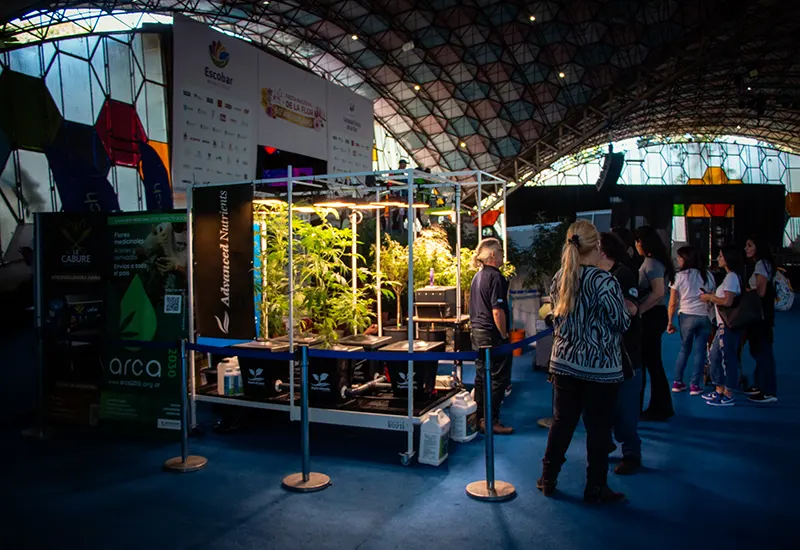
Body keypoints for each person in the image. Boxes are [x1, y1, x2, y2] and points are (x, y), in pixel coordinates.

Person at [538, 220, 630, 504]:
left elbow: (556, 318)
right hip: (600, 368)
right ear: (597, 246)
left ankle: (548, 477)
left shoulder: (560, 278)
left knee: (562, 423)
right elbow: (622, 322)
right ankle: (595, 486)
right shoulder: (605, 281)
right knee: (598, 428)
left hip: (564, 363)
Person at [598, 232, 643, 475]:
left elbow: (632, 308)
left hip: (626, 354)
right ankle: (606, 443)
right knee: (604, 407)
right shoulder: (597, 275)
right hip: (604, 354)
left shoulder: (622, 274)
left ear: (603, 251)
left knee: (626, 408)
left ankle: (632, 454)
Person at [469, 238, 513, 435]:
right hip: (491, 335)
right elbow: (497, 310)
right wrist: (503, 335)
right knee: (498, 378)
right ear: (493, 254)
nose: (503, 255)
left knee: (481, 377)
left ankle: (479, 417)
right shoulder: (496, 277)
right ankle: (491, 420)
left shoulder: (477, 276)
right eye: (501, 252)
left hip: (477, 333)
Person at [635, 226, 675, 421]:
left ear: (641, 242)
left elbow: (658, 292)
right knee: (653, 363)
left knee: (651, 363)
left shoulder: (651, 263)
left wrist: (639, 311)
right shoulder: (656, 262)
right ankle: (660, 405)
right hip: (655, 315)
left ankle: (660, 406)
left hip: (651, 316)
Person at [667, 246, 715, 396]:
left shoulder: (678, 276)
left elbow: (672, 303)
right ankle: (695, 385)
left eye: (679, 257)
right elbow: (712, 295)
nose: (677, 260)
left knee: (684, 349)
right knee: (700, 351)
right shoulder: (707, 275)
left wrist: (670, 322)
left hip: (686, 315)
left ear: (686, 259)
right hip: (704, 316)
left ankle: (677, 382)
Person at [700, 246, 744, 406]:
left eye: (720, 255)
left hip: (727, 325)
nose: (718, 258)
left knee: (727, 358)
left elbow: (727, 301)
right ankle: (719, 388)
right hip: (722, 325)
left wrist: (710, 297)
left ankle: (729, 392)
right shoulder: (730, 277)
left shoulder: (731, 277)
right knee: (714, 356)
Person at [743, 237, 778, 403]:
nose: (746, 248)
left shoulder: (761, 265)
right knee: (759, 350)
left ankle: (767, 390)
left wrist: (745, 292)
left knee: (762, 351)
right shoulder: (764, 264)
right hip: (763, 315)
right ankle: (759, 384)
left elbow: (761, 291)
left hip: (760, 315)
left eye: (750, 245)